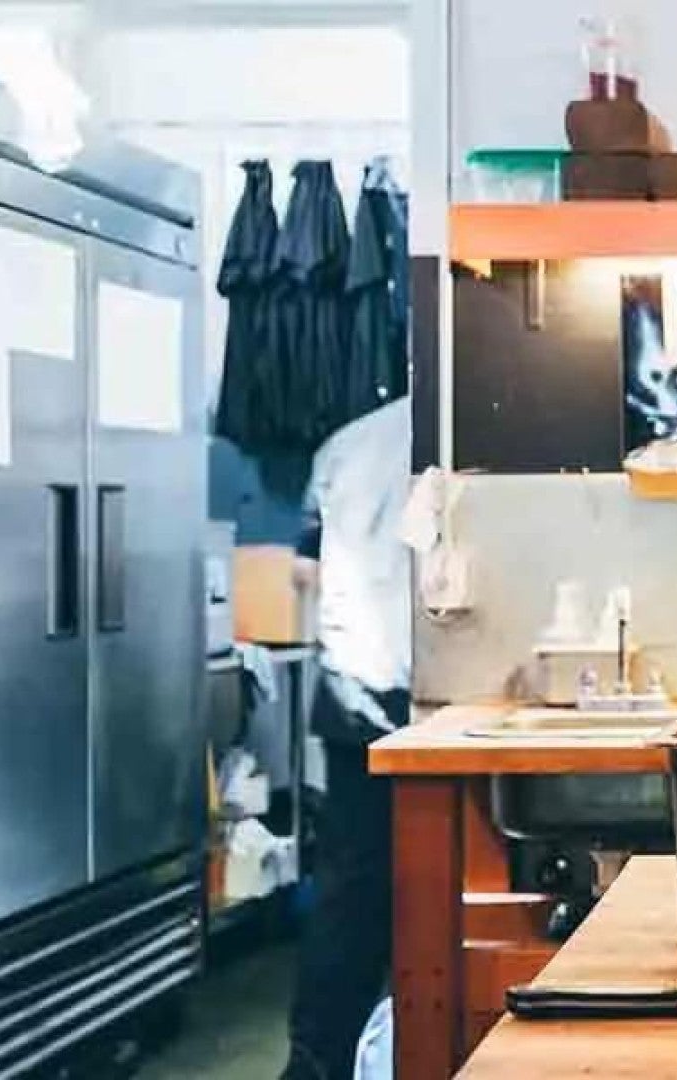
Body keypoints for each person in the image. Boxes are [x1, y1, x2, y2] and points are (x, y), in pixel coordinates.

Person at [282, 397, 413, 1080]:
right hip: (413, 694)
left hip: (352, 688)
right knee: (419, 883)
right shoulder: (475, 426)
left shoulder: (345, 442)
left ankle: (318, 1061)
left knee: (351, 890)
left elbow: (304, 570)